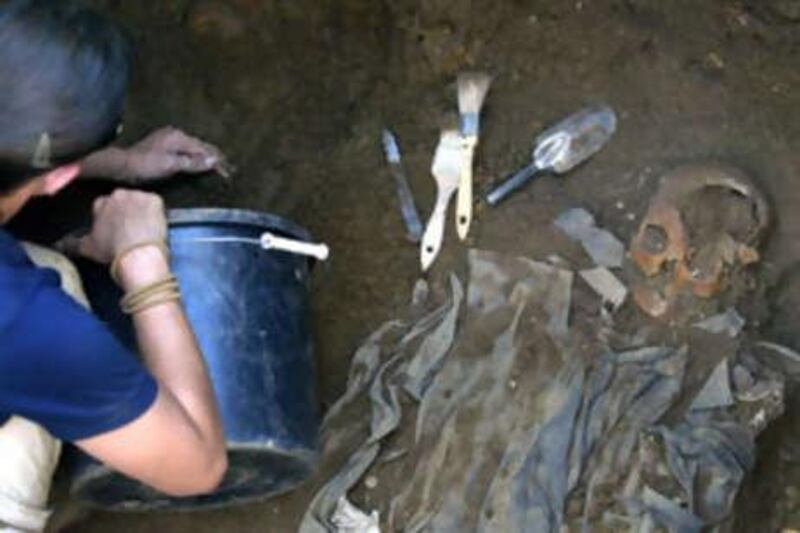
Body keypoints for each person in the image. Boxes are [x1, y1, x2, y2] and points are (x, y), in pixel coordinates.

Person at [0, 1, 229, 530]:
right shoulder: (23, 320)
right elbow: (196, 465)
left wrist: (116, 161)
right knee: (56, 277)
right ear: (58, 178)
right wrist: (141, 259)